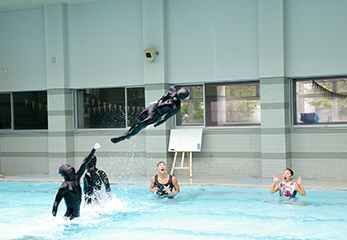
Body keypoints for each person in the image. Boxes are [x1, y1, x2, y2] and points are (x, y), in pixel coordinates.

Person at [111, 85, 189, 144]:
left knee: (139, 126)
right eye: (177, 95)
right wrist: (158, 101)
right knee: (137, 120)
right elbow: (172, 87)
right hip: (152, 108)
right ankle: (128, 134)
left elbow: (165, 118)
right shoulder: (172, 90)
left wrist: (154, 125)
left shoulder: (175, 108)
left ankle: (122, 138)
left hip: (155, 116)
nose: (176, 98)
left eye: (179, 98)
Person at [52, 143, 100, 219]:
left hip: (77, 217)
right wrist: (53, 218)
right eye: (71, 169)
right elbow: (56, 203)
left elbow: (85, 162)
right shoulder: (64, 187)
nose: (74, 169)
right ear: (67, 173)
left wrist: (94, 149)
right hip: (69, 218)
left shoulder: (76, 177)